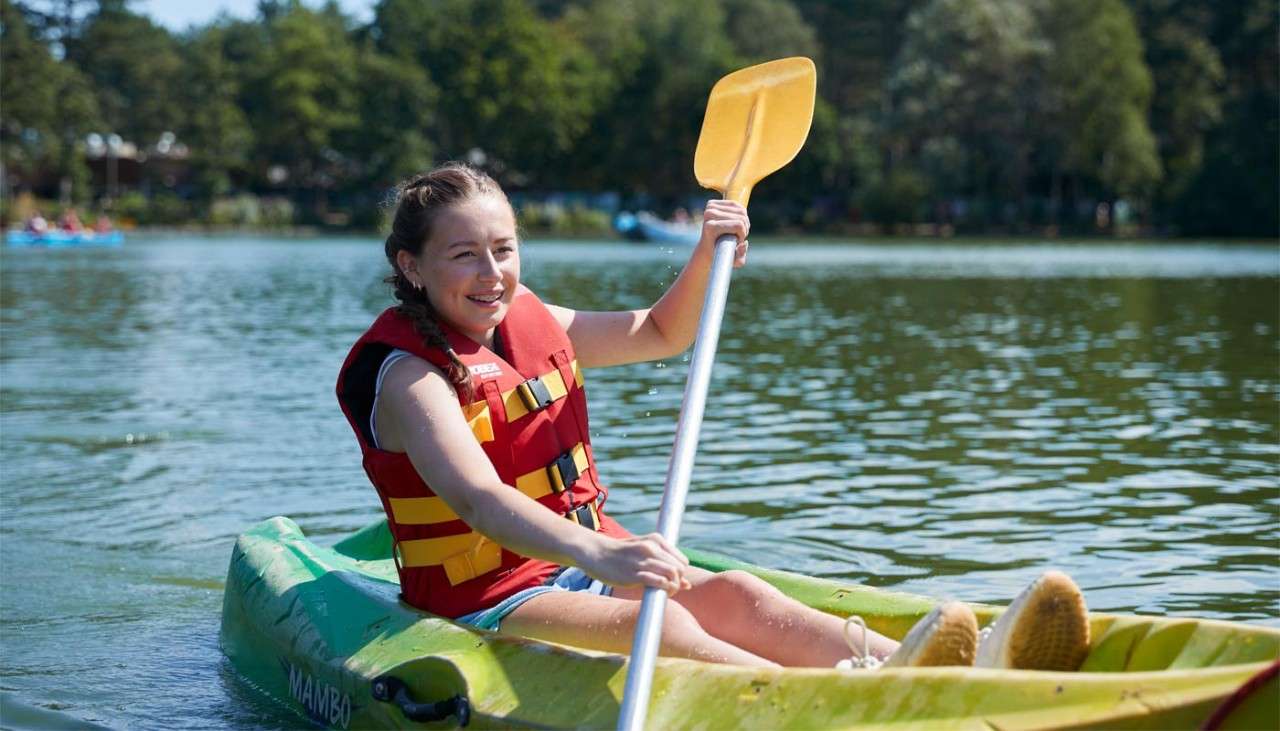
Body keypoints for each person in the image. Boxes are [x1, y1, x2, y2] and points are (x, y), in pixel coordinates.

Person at [336, 163, 1091, 670]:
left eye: (503, 248)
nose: (492, 272)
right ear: (413, 266)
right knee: (657, 625)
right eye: (464, 254)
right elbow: (479, 499)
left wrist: (707, 254)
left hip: (580, 562)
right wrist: (604, 556)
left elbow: (662, 332)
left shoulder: (527, 322)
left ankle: (917, 664)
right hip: (489, 601)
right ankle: (854, 702)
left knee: (737, 594)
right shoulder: (409, 377)